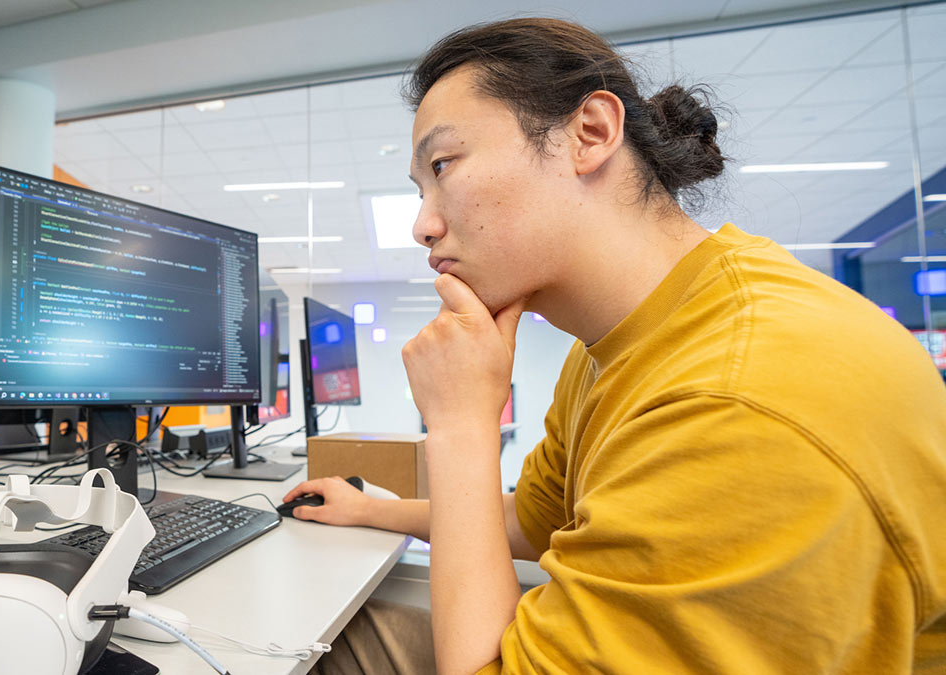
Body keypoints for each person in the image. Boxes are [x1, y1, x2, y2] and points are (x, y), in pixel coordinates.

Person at [287, 16, 946, 675]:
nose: (423, 224)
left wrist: (460, 424)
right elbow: (539, 518)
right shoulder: (622, 337)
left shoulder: (738, 396)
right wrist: (373, 508)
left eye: (442, 165)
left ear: (592, 134)